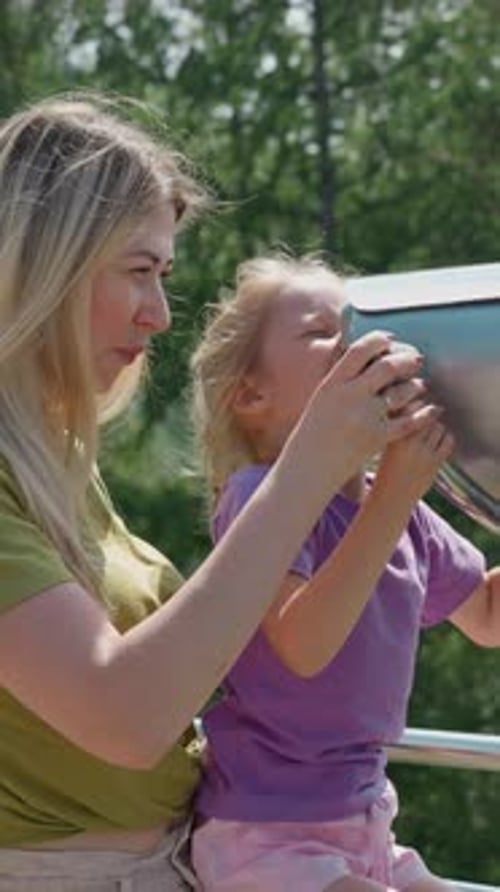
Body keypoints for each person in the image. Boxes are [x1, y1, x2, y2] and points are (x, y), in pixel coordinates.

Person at [0, 96, 433, 891]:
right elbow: (126, 716)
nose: (162, 315)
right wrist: (311, 462)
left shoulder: (54, 459)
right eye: (139, 271)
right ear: (46, 263)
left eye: (164, 275)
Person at [190, 253, 500, 892]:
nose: (357, 339)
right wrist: (395, 495)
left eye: (361, 322)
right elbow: (304, 643)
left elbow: (488, 618)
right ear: (253, 395)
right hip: (265, 836)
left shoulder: (398, 506)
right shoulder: (261, 497)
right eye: (323, 331)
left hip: (365, 826)